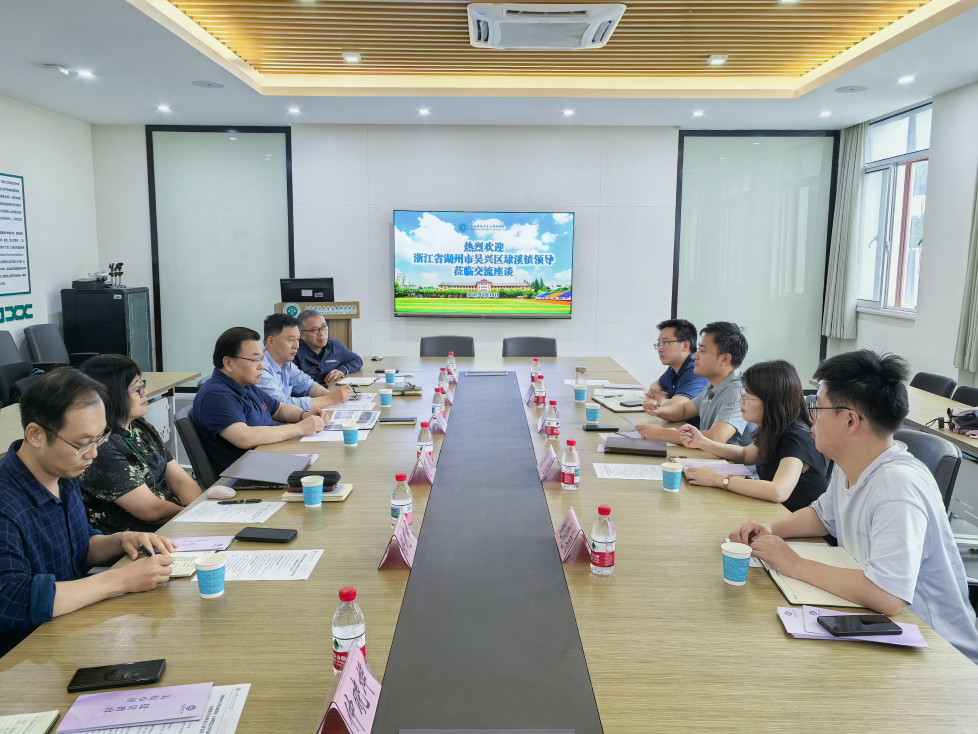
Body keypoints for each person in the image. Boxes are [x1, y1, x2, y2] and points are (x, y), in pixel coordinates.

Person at [730, 350, 978, 664]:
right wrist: (771, 528)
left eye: (818, 408)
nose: (811, 417)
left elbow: (887, 595)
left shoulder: (896, 487)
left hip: (935, 650)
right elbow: (822, 516)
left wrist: (792, 563)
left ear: (850, 420)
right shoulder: (854, 464)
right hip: (879, 623)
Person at [0, 368, 175, 658]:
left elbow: (79, 548)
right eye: (82, 444)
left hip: (73, 631)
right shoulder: (6, 505)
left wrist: (121, 540)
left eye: (99, 440)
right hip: (25, 658)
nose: (93, 454)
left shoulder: (63, 474)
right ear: (35, 434)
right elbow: (13, 600)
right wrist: (120, 580)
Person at [680, 359, 827, 512]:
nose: (740, 400)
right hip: (775, 513)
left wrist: (718, 479)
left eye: (747, 395)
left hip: (797, 523)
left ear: (771, 400)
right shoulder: (775, 429)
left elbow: (778, 491)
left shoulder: (796, 438)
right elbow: (744, 454)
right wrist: (702, 442)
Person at [78, 355, 202, 533]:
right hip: (138, 538)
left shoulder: (139, 425)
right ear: (111, 396)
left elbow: (182, 482)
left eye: (142, 385)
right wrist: (195, 516)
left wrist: (200, 511)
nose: (145, 392)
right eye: (137, 389)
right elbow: (153, 512)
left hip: (175, 522)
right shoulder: (102, 447)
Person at [192, 327, 327, 474]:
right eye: (255, 360)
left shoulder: (245, 385)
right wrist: (300, 428)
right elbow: (245, 437)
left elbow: (279, 409)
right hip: (245, 475)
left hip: (266, 459)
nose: (261, 366)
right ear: (228, 363)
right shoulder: (216, 395)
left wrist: (304, 415)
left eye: (262, 358)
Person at [636, 322, 751, 447]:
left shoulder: (737, 392)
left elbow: (716, 438)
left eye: (703, 351)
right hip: (707, 455)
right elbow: (684, 410)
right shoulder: (713, 385)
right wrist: (657, 411)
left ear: (725, 359)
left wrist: (661, 433)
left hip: (725, 460)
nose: (695, 356)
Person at [258, 313, 352, 411]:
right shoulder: (259, 367)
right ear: (271, 342)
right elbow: (281, 405)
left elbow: (307, 385)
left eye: (298, 340)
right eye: (291, 340)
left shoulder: (286, 363)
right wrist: (329, 399)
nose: (296, 346)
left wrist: (330, 395)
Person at [644, 318, 708, 413]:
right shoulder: (675, 367)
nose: (660, 349)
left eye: (665, 343)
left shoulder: (695, 368)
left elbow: (676, 407)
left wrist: (660, 398)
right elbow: (656, 384)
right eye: (659, 344)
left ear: (685, 346)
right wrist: (656, 394)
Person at [294, 310, 363, 386]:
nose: (322, 333)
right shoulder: (293, 352)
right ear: (302, 334)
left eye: (324, 327)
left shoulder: (335, 345)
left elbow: (357, 360)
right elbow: (294, 388)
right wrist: (326, 386)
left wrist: (341, 370)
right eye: (314, 330)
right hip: (315, 393)